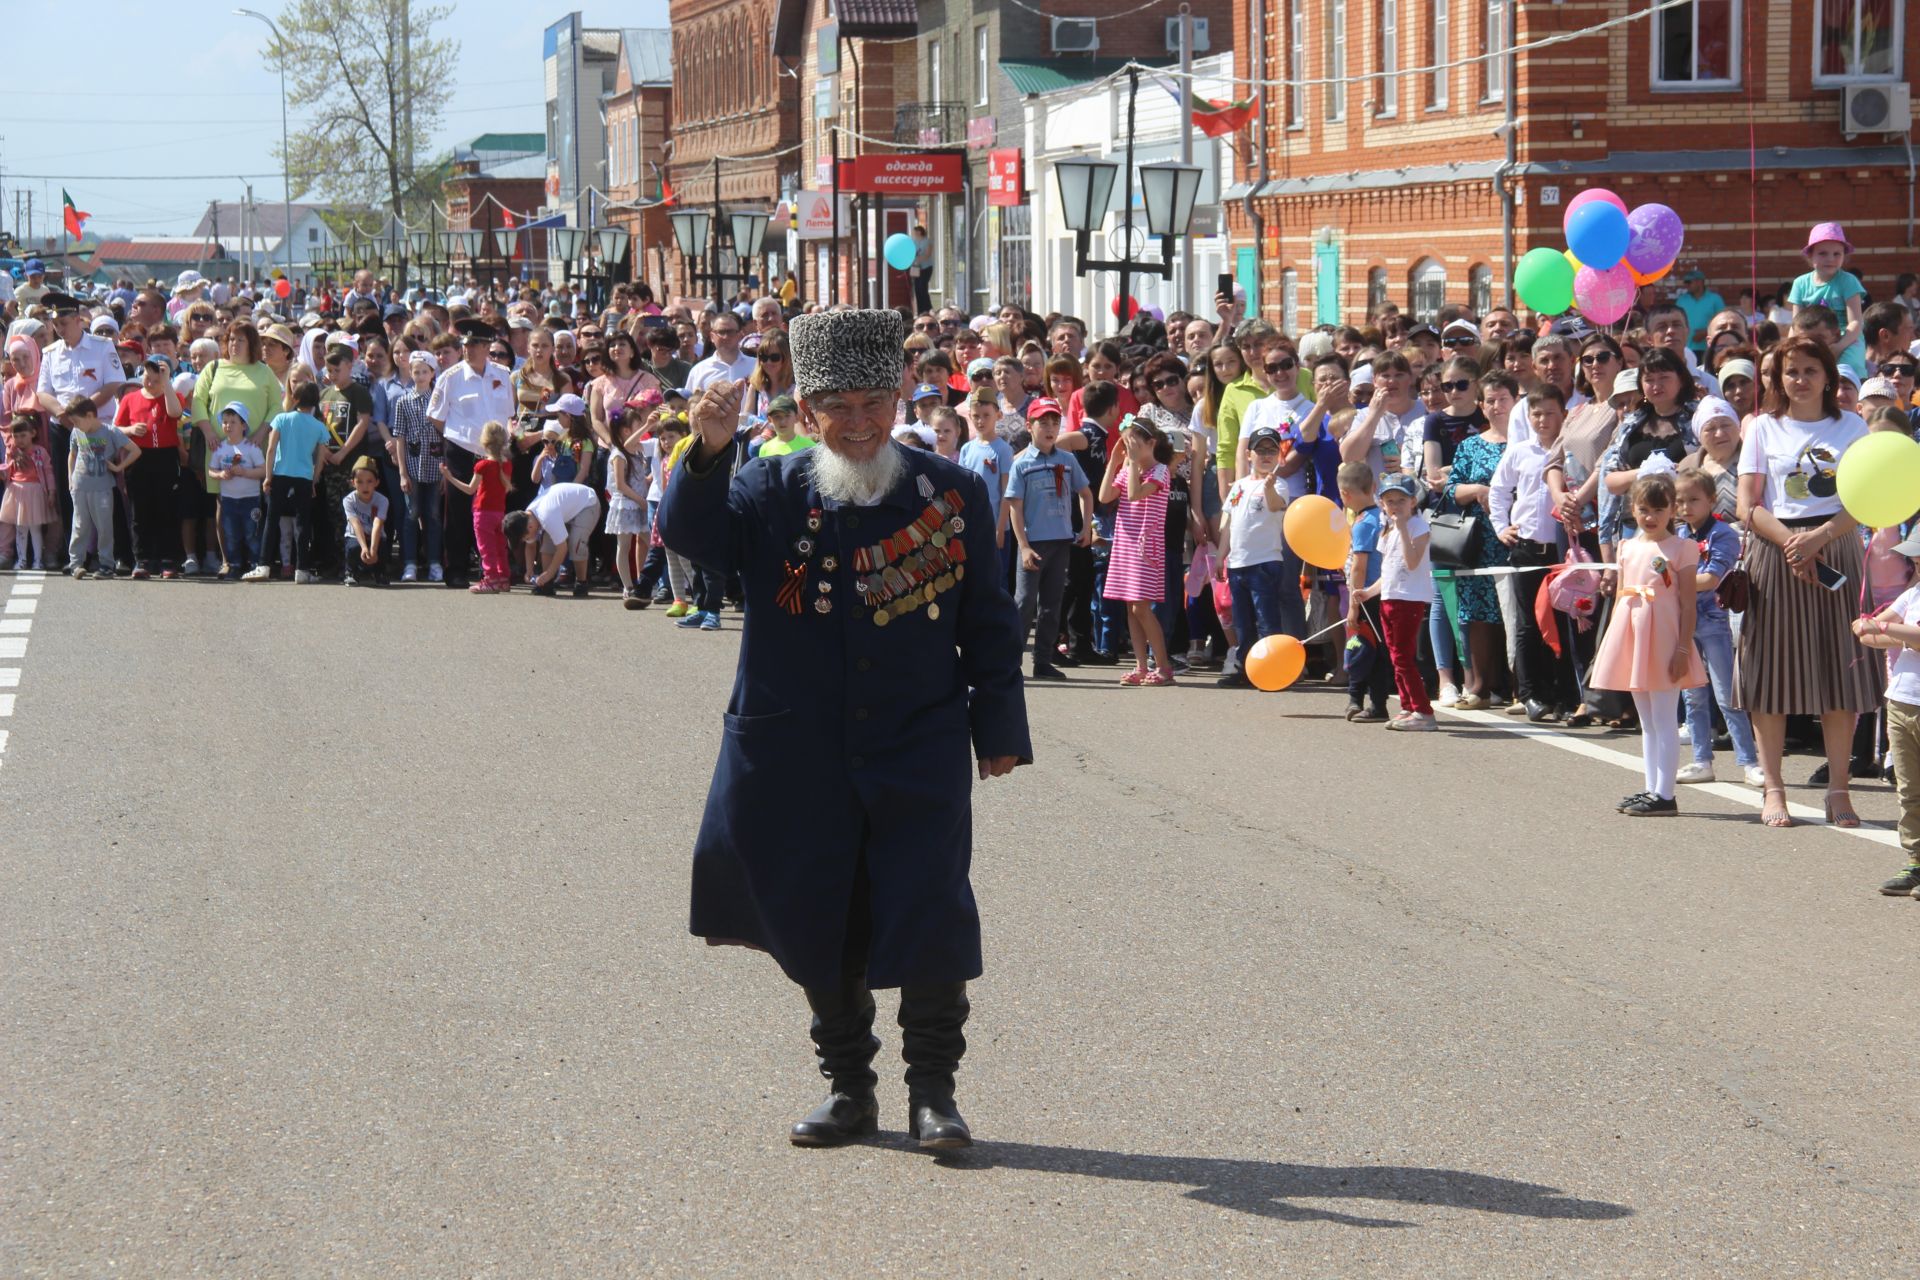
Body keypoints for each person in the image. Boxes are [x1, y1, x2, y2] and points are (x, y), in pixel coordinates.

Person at [658, 307, 1029, 1151]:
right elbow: (691, 535)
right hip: (797, 747)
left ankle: (933, 1094)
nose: (859, 425)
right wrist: (707, 452)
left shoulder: (951, 490)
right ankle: (849, 1088)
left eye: (874, 403)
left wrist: (998, 724)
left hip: (919, 739)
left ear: (899, 396)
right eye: (839, 407)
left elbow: (989, 618)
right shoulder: (763, 487)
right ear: (807, 409)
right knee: (821, 913)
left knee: (931, 910)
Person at [1736, 336, 1879, 829]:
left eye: (1809, 370)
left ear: (1828, 376)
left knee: (1841, 672)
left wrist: (1818, 537)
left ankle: (1839, 789)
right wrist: (1790, 543)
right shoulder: (1760, 428)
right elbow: (1746, 504)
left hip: (1835, 544)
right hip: (1775, 553)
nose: (1799, 379)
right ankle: (1774, 788)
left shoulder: (1853, 426)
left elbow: (1868, 497)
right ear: (1776, 378)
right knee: (1771, 674)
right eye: (1790, 371)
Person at [1591, 473, 1706, 817]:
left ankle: (1666, 795)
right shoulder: (1627, 547)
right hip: (1634, 638)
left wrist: (1683, 649)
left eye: (1659, 509)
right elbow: (1621, 597)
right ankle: (1652, 788)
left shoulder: (1682, 548)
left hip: (1665, 639)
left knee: (1664, 717)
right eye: (1643, 509)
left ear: (1673, 509)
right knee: (1647, 721)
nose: (1650, 517)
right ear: (1633, 509)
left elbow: (1687, 603)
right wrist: (1614, 641)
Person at [1672, 467, 1762, 787]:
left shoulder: (1721, 534)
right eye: (1679, 501)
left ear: (1711, 499)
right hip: (1682, 623)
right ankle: (1701, 760)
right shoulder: (1678, 535)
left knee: (1727, 695)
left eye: (1694, 499)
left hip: (1711, 621)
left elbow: (1711, 578)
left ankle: (1749, 761)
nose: (1685, 507)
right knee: (1692, 696)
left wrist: (1670, 581)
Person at [1489, 386, 1575, 720]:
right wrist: (1501, 527)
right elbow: (1499, 491)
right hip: (1525, 549)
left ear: (1563, 415)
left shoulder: (1570, 451)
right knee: (1528, 624)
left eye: (1550, 412)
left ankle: (1565, 695)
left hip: (1561, 548)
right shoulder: (1519, 451)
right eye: (1536, 414)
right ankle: (1531, 694)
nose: (1543, 419)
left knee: (1563, 621)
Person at [1005, 397, 1093, 680]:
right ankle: (1010, 662)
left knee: (1052, 604)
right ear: (1030, 426)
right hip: (1033, 545)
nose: (1050, 427)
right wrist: (1024, 546)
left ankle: (1042, 660)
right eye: (1043, 421)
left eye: (1055, 421)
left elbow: (1086, 493)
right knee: (1024, 601)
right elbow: (1014, 507)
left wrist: (1086, 527)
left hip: (1060, 542)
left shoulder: (1066, 460)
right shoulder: (1021, 464)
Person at [1854, 530, 1920, 897]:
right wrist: (1894, 631)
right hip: (1902, 701)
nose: (1915, 563)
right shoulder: (1912, 593)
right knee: (1910, 790)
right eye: (1914, 556)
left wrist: (1885, 628)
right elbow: (1866, 632)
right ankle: (1916, 861)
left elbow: (1882, 628)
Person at [427, 319, 515, 589]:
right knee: (457, 512)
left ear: (488, 346)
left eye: (475, 344)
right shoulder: (450, 377)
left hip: (496, 454)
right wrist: (460, 435)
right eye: (466, 344)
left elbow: (509, 415)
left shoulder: (502, 373)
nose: (469, 349)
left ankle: (495, 569)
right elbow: (436, 417)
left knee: (494, 512)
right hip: (462, 451)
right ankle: (456, 568)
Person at [1098, 413, 1176, 686]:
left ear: (1150, 442)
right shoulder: (1130, 468)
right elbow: (1105, 496)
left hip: (1146, 546)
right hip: (1125, 544)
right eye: (1127, 442)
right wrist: (1115, 462)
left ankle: (1163, 666)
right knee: (1131, 607)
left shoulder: (1160, 471)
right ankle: (1141, 665)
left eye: (1134, 443)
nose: (1130, 448)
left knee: (1142, 608)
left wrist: (1130, 464)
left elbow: (1133, 494)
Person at [1214, 425, 1292, 691]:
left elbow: (1274, 505)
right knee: (1243, 622)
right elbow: (1229, 523)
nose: (1266, 455)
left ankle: (1273, 670)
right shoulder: (1239, 486)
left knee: (1267, 620)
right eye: (1261, 450)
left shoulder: (1279, 484)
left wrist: (1269, 487)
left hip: (1265, 562)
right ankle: (1247, 669)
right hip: (1238, 564)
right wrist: (1220, 557)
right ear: (1249, 455)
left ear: (1279, 456)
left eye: (1272, 450)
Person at [1368, 473, 1437, 730]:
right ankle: (1407, 706)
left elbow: (1411, 561)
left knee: (1403, 657)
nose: (1395, 506)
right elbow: (1388, 571)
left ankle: (1424, 711)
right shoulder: (1386, 531)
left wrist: (1403, 528)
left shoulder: (1418, 527)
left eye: (1401, 500)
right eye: (1389, 500)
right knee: (1396, 656)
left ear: (1412, 502)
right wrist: (1369, 592)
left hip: (1409, 599)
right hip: (1390, 597)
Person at [244, 381, 331, 583]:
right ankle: (302, 569)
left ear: (295, 398)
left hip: (280, 474)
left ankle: (263, 566)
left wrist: (268, 477)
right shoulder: (318, 426)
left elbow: (271, 449)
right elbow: (320, 457)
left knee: (271, 520)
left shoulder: (281, 419)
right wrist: (314, 480)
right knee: (302, 523)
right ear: (315, 402)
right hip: (304, 477)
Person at [114, 357, 184, 578]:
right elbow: (116, 429)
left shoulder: (170, 396)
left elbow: (175, 413)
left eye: (156, 379)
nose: (151, 383)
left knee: (167, 509)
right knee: (140, 511)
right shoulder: (130, 398)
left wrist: (167, 384)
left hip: (165, 457)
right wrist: (132, 429)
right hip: (139, 458)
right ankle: (142, 560)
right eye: (147, 377)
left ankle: (168, 560)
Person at [1337, 460, 1394, 720]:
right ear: (1373, 486)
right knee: (1375, 649)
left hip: (1366, 597)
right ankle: (1362, 700)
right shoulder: (1380, 516)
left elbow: (1360, 566)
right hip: (1383, 592)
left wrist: (1353, 604)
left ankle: (1366, 702)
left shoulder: (1363, 524)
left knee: (1362, 647)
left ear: (1344, 494)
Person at [64, 397, 139, 578]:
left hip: (103, 488)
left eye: (77, 421)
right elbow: (72, 454)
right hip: (80, 486)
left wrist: (118, 467)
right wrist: (70, 478)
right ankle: (76, 563)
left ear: (90, 415)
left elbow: (135, 450)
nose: (75, 425)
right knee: (80, 525)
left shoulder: (110, 431)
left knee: (104, 526)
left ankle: (106, 565)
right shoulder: (76, 432)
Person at [387, 350, 444, 583]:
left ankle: (435, 563)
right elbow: (399, 437)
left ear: (432, 373)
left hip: (435, 464)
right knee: (411, 515)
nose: (420, 376)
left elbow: (446, 435)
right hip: (412, 464)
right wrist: (402, 472)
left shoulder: (440, 400)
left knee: (433, 515)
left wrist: (446, 470)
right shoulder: (403, 401)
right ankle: (409, 563)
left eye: (424, 371)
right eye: (416, 371)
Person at [439, 420, 513, 594]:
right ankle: (503, 578)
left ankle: (490, 579)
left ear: (484, 442)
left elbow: (469, 489)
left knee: (486, 548)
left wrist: (449, 477)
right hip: (499, 512)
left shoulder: (482, 466)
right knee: (500, 546)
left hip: (483, 513)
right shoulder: (507, 465)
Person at [1789, 222, 1867, 377]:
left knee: (1847, 369)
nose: (1830, 258)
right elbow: (1795, 324)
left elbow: (1856, 322)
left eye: (1837, 254)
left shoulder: (1849, 281)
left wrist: (1839, 346)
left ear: (1844, 256)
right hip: (1810, 338)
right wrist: (1791, 346)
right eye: (1823, 253)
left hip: (1846, 337)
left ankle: (1856, 387)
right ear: (1810, 256)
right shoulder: (1800, 283)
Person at [505, 480, 601, 599]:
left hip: (587, 503)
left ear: (530, 527)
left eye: (525, 537)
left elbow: (562, 548)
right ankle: (547, 585)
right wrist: (529, 571)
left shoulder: (546, 515)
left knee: (576, 543)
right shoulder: (526, 517)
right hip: (565, 509)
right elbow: (530, 545)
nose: (526, 539)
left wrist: (549, 573)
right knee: (547, 545)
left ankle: (581, 582)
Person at [207, 403, 266, 579]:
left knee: (252, 533)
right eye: (225, 422)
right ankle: (234, 565)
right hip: (229, 499)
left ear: (244, 425)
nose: (228, 426)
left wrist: (245, 472)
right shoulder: (220, 448)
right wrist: (220, 474)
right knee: (232, 534)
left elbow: (263, 471)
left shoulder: (252, 447)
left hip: (251, 499)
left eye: (233, 422)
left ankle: (255, 564)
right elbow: (211, 471)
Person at [606, 417, 651, 608]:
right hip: (625, 504)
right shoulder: (618, 454)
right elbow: (620, 484)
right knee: (624, 546)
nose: (641, 428)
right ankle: (628, 586)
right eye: (637, 425)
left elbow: (640, 479)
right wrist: (640, 500)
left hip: (638, 504)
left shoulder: (636, 451)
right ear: (625, 431)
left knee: (650, 542)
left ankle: (648, 582)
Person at [2, 416, 54, 569]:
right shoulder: (12, 452)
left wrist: (52, 492)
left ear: (33, 433)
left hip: (35, 492)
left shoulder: (40, 451)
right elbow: (7, 470)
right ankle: (22, 560)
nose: (19, 440)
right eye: (15, 436)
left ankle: (38, 561)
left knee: (35, 528)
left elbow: (48, 472)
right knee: (20, 528)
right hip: (16, 491)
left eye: (23, 435)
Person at [340, 457, 390, 587]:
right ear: (353, 483)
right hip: (356, 536)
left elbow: (378, 524)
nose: (365, 486)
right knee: (353, 547)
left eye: (369, 481)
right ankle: (350, 572)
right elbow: (355, 524)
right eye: (360, 482)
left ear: (377, 482)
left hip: (375, 535)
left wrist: (373, 549)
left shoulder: (382, 500)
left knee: (382, 546)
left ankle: (380, 572)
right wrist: (364, 547)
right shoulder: (349, 500)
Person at [1674, 270, 1725, 355]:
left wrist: (1706, 332)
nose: (1686, 285)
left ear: (1699, 282)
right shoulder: (1681, 300)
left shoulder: (1715, 299)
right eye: (1685, 283)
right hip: (1686, 348)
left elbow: (1723, 322)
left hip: (1709, 348)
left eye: (1689, 282)